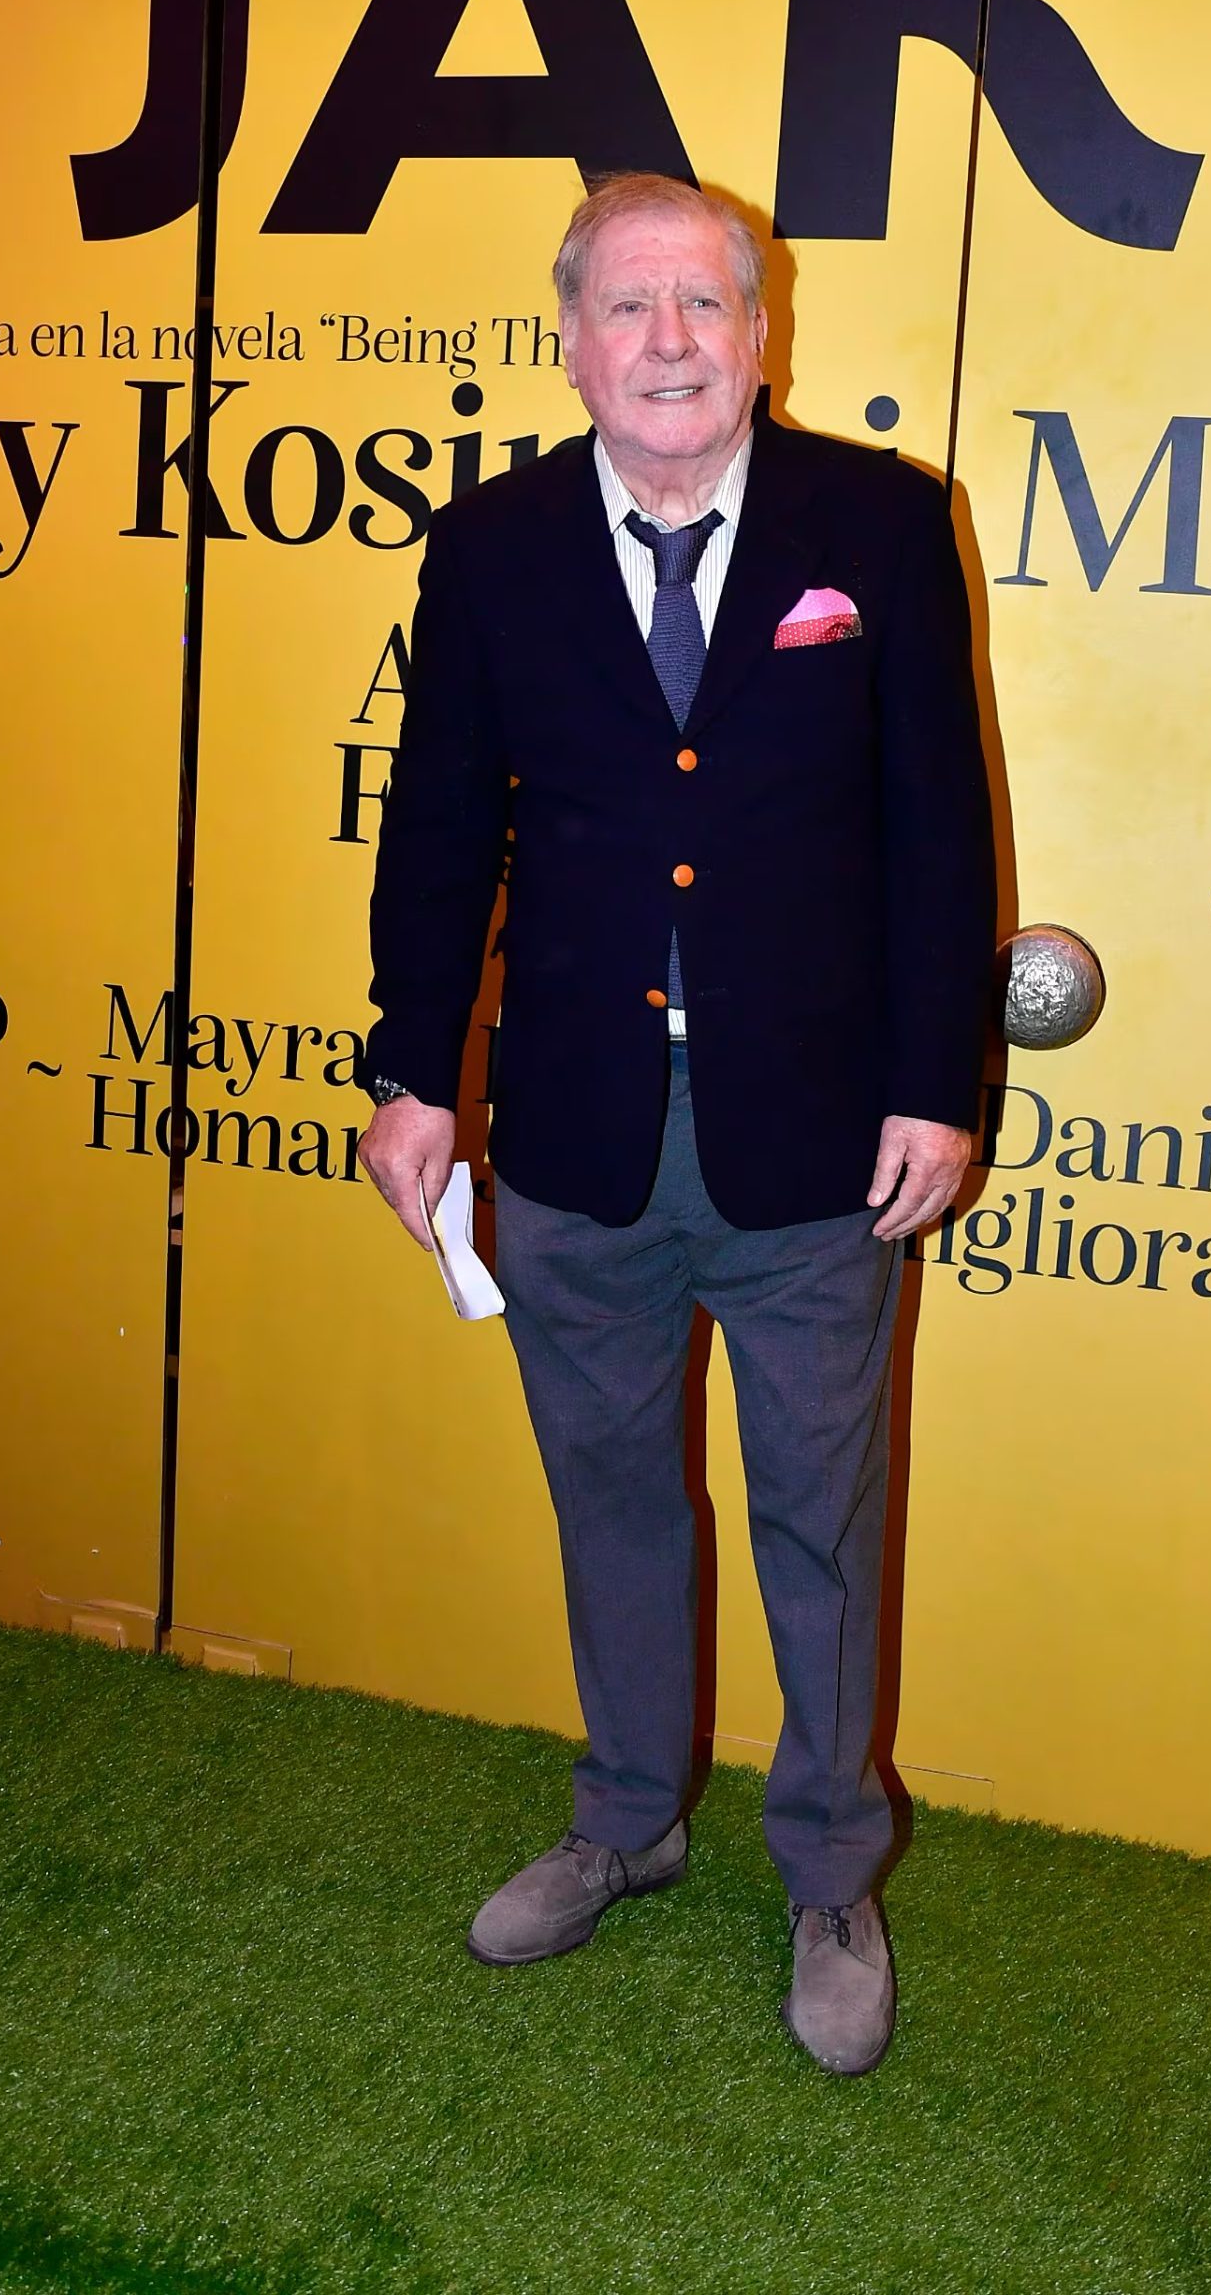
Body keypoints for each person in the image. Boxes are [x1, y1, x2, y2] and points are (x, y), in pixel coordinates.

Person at [357, 172, 995, 2077]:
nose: (666, 342)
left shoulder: (878, 524)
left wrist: (939, 1086)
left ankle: (827, 1872)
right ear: (568, 340)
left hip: (815, 1146)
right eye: (626, 309)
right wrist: (411, 1073)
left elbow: (938, 831)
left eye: (701, 306)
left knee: (821, 1514)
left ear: (760, 333)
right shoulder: (488, 551)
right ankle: (627, 1820)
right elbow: (440, 826)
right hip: (575, 1135)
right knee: (615, 1496)